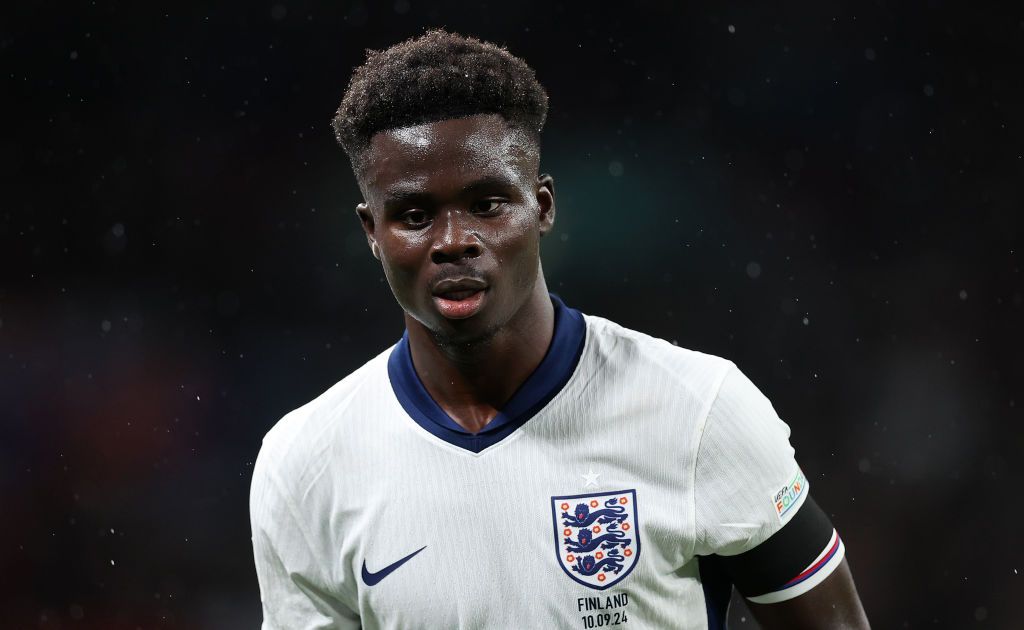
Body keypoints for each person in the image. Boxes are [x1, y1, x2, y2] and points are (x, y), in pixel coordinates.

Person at [249, 28, 870, 629]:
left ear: (542, 207)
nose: (453, 241)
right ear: (371, 234)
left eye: (487, 204)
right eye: (413, 215)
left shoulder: (700, 411)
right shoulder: (305, 464)